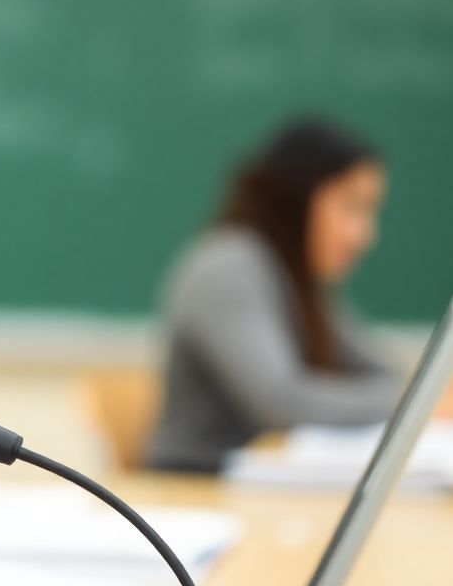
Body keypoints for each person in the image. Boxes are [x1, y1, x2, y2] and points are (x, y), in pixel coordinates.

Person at [148, 118, 405, 472]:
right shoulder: (229, 267)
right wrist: (418, 403)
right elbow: (282, 403)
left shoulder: (295, 278)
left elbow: (379, 373)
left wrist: (418, 396)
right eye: (351, 206)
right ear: (299, 196)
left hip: (264, 486)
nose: (364, 236)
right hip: (199, 486)